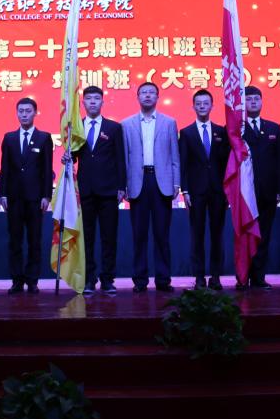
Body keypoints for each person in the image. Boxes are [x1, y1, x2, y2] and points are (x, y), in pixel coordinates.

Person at [65, 86, 126, 295]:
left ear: (102, 102)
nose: (92, 102)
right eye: (89, 98)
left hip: (109, 191)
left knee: (109, 238)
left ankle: (108, 280)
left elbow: (120, 159)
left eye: (96, 98)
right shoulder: (76, 127)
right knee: (87, 238)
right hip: (85, 191)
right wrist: (67, 157)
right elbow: (73, 156)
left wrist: (121, 186)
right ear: (82, 103)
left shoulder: (114, 128)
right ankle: (89, 279)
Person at [121, 82, 181, 293]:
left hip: (161, 182)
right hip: (137, 182)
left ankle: (163, 280)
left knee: (162, 235)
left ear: (157, 97)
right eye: (143, 93)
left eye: (151, 93)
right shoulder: (126, 124)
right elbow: (124, 158)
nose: (147, 96)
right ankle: (140, 280)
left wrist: (176, 183)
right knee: (139, 235)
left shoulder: (169, 122)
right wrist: (124, 184)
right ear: (137, 97)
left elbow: (175, 156)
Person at [0, 97, 53, 295]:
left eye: (28, 111)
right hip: (14, 198)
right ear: (16, 113)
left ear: (35, 113)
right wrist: (3, 193)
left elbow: (47, 169)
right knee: (15, 241)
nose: (24, 114)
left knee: (34, 240)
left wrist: (47, 195)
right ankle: (16, 280)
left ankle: (32, 280)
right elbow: (4, 168)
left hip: (35, 198)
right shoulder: (9, 138)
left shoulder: (44, 138)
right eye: (20, 111)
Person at [179, 89, 229, 290]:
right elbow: (183, 165)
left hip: (218, 191)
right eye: (198, 103)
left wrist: (228, 189)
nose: (202, 106)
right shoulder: (186, 133)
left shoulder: (221, 132)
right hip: (196, 192)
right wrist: (185, 191)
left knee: (217, 235)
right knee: (197, 235)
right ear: (193, 107)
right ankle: (199, 277)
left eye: (205, 103)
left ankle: (215, 277)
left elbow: (226, 163)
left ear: (212, 106)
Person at [241, 85, 280, 290]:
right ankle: (243, 276)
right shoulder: (236, 129)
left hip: (268, 192)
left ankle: (258, 277)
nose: (253, 102)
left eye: (256, 99)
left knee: (264, 234)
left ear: (261, 102)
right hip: (244, 192)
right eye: (249, 99)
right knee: (245, 234)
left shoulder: (273, 128)